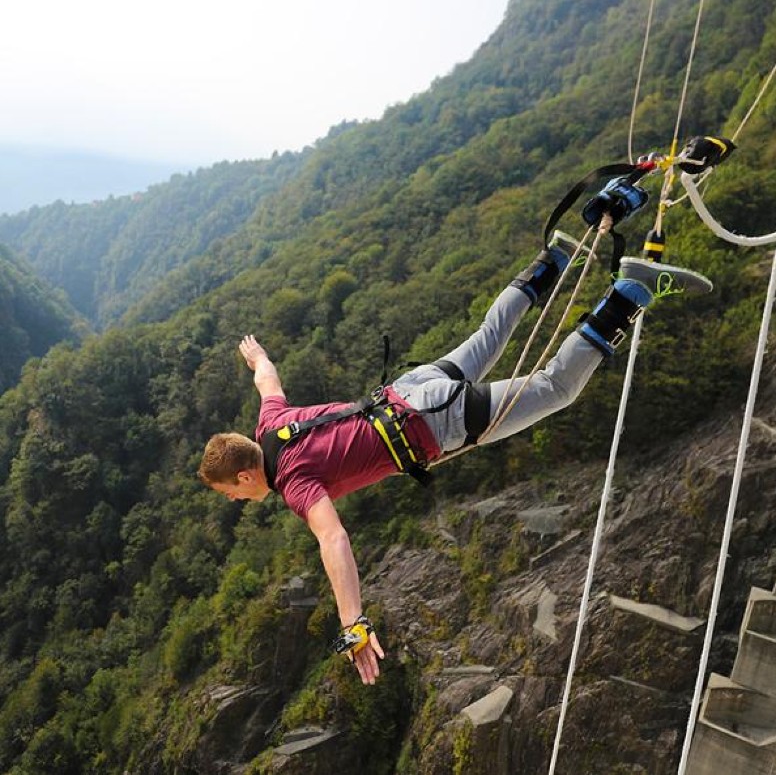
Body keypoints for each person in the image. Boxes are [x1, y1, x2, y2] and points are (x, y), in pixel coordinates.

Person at [199, 237, 712, 685]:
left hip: (433, 423)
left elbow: (332, 539)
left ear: (245, 474)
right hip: (407, 390)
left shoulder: (294, 482)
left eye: (232, 493)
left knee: (555, 387)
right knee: (489, 336)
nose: (240, 500)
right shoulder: (270, 423)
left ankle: (628, 293)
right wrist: (256, 356)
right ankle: (551, 258)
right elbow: (268, 378)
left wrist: (352, 621)